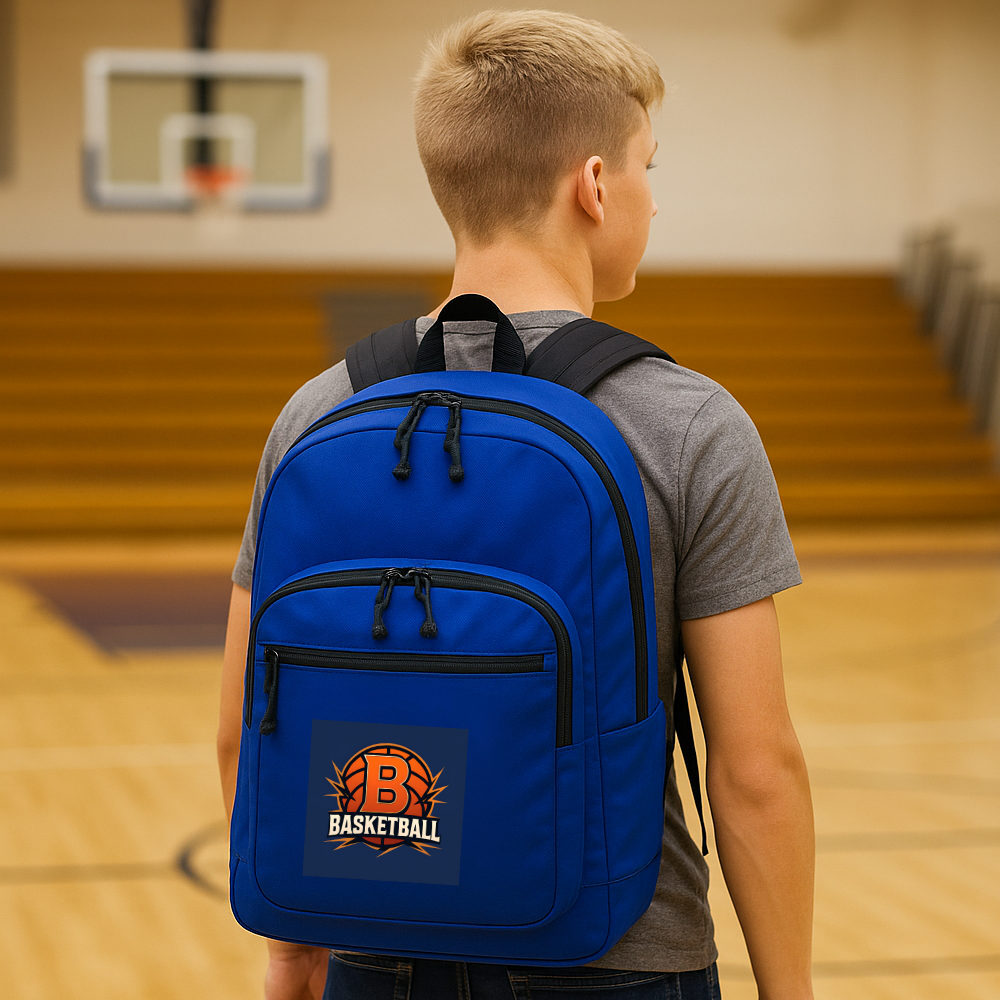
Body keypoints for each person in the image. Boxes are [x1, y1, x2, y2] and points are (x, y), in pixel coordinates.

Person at [217, 9, 815, 1000]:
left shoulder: (319, 412)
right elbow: (756, 771)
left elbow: (247, 723)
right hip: (618, 960)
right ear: (592, 184)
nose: (651, 203)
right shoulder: (686, 421)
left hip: (374, 946)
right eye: (646, 169)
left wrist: (293, 951)